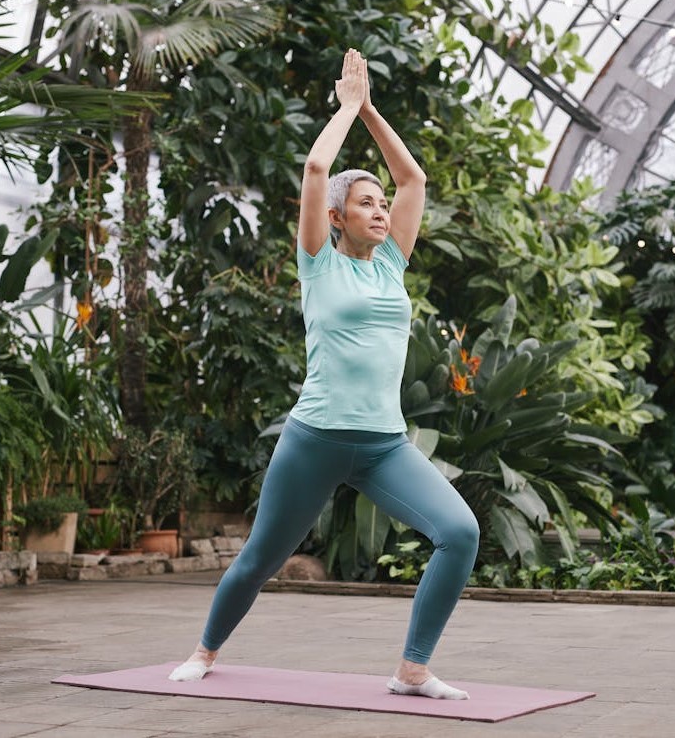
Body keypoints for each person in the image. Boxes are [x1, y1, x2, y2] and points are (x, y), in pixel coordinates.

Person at [168, 48, 480, 700]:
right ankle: (204, 651)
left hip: (382, 444)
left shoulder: (391, 263)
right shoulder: (319, 263)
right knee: (260, 559)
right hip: (315, 438)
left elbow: (413, 181)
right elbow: (316, 167)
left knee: (458, 533)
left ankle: (411, 670)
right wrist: (342, 110)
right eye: (364, 203)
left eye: (379, 204)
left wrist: (368, 109)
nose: (379, 211)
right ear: (335, 217)